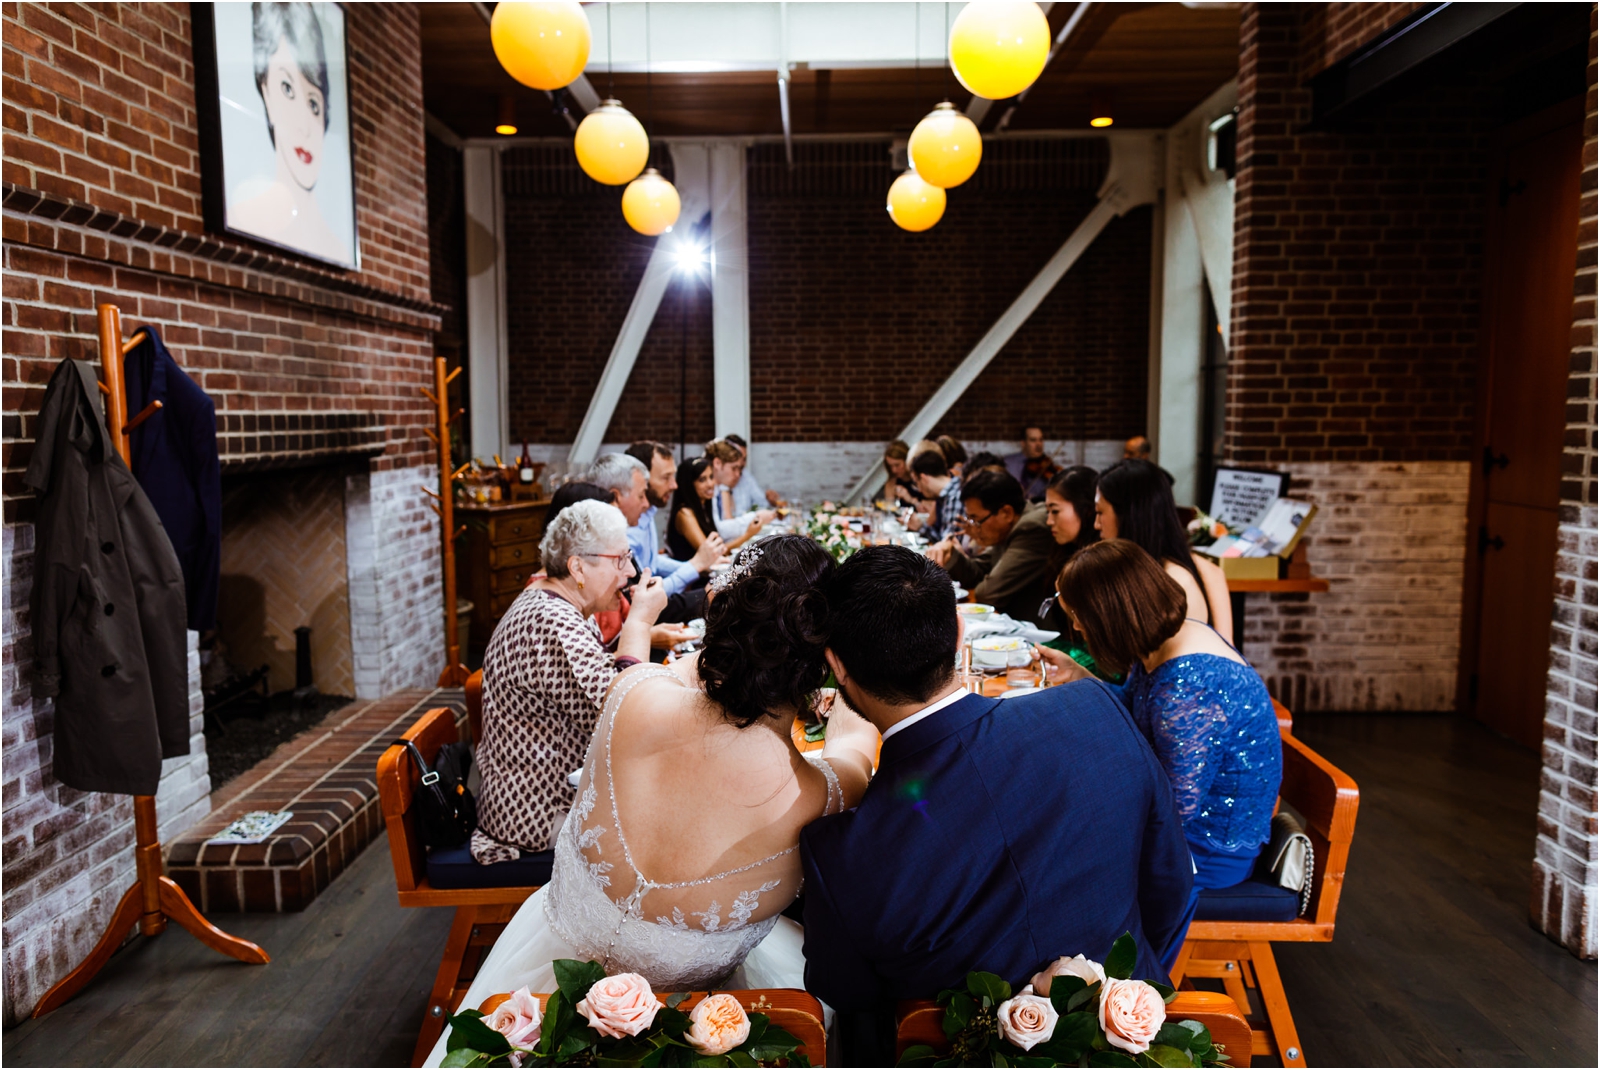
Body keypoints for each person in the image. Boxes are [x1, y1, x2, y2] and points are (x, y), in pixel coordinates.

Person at [423, 538, 880, 1067]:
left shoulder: (632, 694)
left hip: (543, 981)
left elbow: (665, 672)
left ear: (723, 621)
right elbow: (856, 742)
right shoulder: (826, 793)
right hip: (696, 1031)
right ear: (826, 658)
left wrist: (698, 656)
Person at [801, 546, 1193, 1066]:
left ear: (837, 667)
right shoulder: (1092, 710)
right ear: (960, 635)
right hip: (1139, 1043)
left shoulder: (843, 850)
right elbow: (1171, 884)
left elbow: (848, 994)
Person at [1051, 539, 1282, 966]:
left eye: (1079, 619)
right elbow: (1142, 709)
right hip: (1193, 832)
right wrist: (1085, 678)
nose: (1079, 631)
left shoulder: (1187, 688)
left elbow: (1176, 813)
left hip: (1207, 851)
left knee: (1063, 870)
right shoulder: (1172, 638)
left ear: (1111, 615)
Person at [470, 500, 667, 874]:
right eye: (620, 560)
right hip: (536, 812)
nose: (628, 573)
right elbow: (623, 715)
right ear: (578, 566)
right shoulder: (550, 620)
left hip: (547, 795)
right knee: (671, 838)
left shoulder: (558, 605)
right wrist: (639, 621)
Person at [230, 3, 350, 263]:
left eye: (313, 103)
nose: (304, 127)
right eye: (287, 89)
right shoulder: (240, 216)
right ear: (266, 93)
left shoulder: (339, 250)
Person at [1096, 459, 1233, 644]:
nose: (1096, 524)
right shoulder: (1139, 570)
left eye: (1100, 513)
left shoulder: (1177, 582)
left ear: (1129, 515)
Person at [589, 452, 720, 623]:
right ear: (615, 497)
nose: (674, 485)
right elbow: (637, 603)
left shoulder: (641, 516)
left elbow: (650, 568)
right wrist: (696, 574)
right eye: (641, 495)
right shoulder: (607, 542)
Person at [927, 468, 1057, 626]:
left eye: (976, 520)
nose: (973, 528)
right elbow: (977, 570)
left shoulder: (1030, 528)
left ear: (1006, 513)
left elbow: (988, 593)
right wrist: (949, 552)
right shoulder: (1008, 527)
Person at [1039, 465, 1100, 639]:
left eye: (1055, 511)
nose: (1049, 521)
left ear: (1086, 509)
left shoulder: (1100, 560)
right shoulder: (1063, 550)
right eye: (1048, 512)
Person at [669, 455, 763, 560]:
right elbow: (710, 554)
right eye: (702, 480)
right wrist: (748, 534)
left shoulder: (704, 506)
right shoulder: (685, 513)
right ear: (689, 485)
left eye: (711, 477)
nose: (710, 484)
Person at [706, 439, 776, 541]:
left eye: (739, 469)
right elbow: (719, 530)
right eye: (734, 468)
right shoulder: (708, 490)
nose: (738, 475)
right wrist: (756, 516)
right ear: (717, 463)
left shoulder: (721, 488)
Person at [907, 439, 962, 542]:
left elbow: (948, 545)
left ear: (923, 478)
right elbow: (942, 539)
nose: (919, 490)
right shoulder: (947, 495)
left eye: (916, 483)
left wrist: (921, 527)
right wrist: (920, 526)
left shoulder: (954, 495)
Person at [724, 433, 785, 511]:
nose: (742, 463)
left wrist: (770, 500)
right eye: (738, 458)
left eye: (744, 459)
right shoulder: (717, 482)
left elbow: (762, 503)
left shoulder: (745, 475)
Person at [1003, 425, 1061, 502]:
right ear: (1023, 443)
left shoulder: (1046, 464)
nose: (1038, 444)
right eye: (1033, 440)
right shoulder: (1008, 462)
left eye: (1041, 440)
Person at [882, 439, 924, 507]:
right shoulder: (892, 482)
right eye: (890, 466)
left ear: (907, 460)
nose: (894, 470)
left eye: (897, 465)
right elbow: (889, 509)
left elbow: (931, 509)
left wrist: (910, 499)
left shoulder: (921, 479)